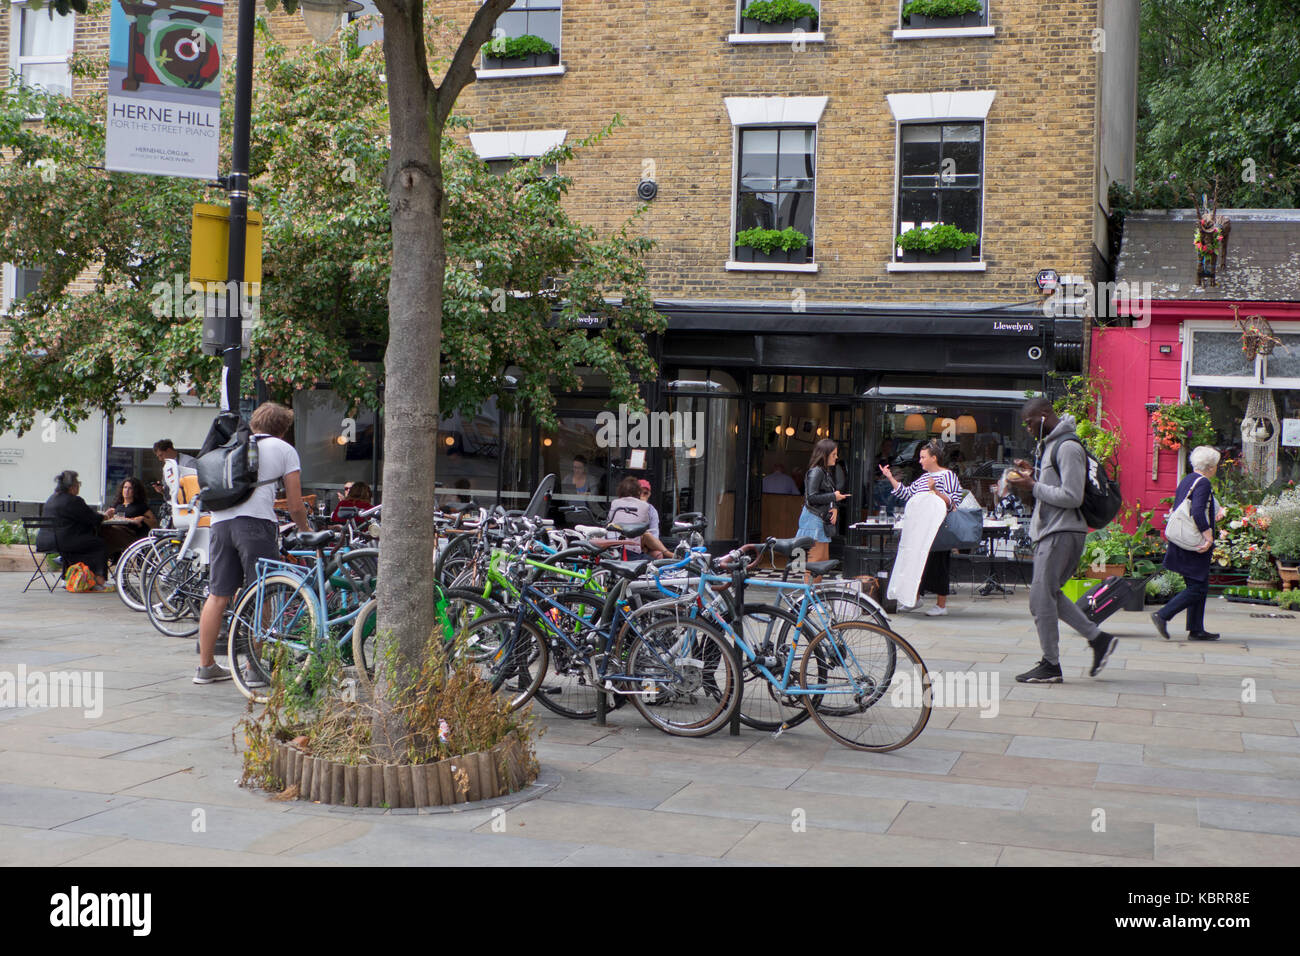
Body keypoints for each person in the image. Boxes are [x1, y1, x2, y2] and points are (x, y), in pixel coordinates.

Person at [194, 402, 310, 686]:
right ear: (283, 429)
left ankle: (206, 667)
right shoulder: (284, 450)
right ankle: (253, 668)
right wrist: (305, 529)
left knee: (218, 595)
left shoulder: (233, 444)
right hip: (256, 524)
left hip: (219, 523)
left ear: (255, 422)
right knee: (262, 594)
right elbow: (295, 504)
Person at [1006, 397, 1117, 683]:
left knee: (1040, 599)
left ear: (1044, 416)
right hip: (1054, 531)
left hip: (1061, 532)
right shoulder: (1051, 447)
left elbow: (1071, 496)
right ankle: (1098, 639)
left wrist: (1033, 485)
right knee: (1049, 595)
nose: (1028, 429)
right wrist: (1033, 476)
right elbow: (1054, 487)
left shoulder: (1067, 447)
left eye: (1030, 422)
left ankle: (1051, 664)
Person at [880, 439, 962, 616]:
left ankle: (941, 605)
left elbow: (953, 501)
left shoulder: (948, 476)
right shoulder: (924, 477)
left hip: (939, 528)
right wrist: (890, 478)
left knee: (939, 563)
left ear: (933, 458)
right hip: (920, 528)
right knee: (918, 561)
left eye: (923, 457)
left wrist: (935, 491)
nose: (920, 461)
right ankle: (914, 598)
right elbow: (907, 494)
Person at [1152, 445, 1225, 641]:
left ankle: (1196, 628)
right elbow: (1197, 512)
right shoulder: (1203, 483)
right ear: (1210, 466)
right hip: (1194, 542)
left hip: (1182, 540)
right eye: (1216, 465)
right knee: (1198, 587)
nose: (1217, 468)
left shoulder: (1187, 480)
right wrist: (1208, 536)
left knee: (1198, 583)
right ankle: (1163, 615)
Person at [39, 470, 111, 591]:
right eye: (78, 484)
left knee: (79, 546)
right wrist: (105, 516)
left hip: (45, 541)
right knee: (99, 544)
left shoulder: (51, 499)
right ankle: (99, 579)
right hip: (64, 541)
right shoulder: (73, 500)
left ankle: (67, 578)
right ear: (72, 487)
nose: (79, 487)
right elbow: (91, 518)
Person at [799, 439, 848, 582]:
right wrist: (834, 496)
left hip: (818, 520)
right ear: (825, 455)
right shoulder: (816, 472)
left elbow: (821, 497)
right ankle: (809, 598)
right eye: (834, 454)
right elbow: (812, 497)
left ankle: (812, 596)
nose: (836, 457)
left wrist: (834, 507)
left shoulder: (823, 472)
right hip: (813, 521)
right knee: (815, 561)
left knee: (820, 561)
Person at [605, 477, 669, 557]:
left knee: (658, 553)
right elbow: (643, 530)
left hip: (642, 544)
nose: (643, 496)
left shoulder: (614, 503)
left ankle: (669, 555)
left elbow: (654, 533)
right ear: (638, 492)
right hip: (632, 545)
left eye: (646, 493)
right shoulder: (644, 506)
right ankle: (670, 555)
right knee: (646, 534)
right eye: (641, 492)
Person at [101, 476, 158, 559]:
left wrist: (143, 518)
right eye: (125, 487)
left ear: (135, 491)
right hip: (115, 532)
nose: (126, 491)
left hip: (130, 535)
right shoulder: (116, 506)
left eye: (130, 488)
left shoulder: (140, 506)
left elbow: (154, 523)